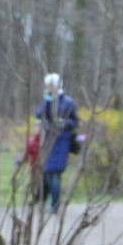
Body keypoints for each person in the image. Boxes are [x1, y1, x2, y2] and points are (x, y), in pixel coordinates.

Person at [34, 72, 79, 213]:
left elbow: (75, 122)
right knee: (47, 173)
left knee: (55, 173)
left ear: (59, 85)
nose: (50, 88)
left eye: (52, 85)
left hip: (62, 141)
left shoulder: (68, 102)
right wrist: (48, 101)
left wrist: (64, 123)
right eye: (48, 86)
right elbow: (39, 114)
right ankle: (44, 200)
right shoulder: (47, 101)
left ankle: (55, 204)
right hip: (48, 141)